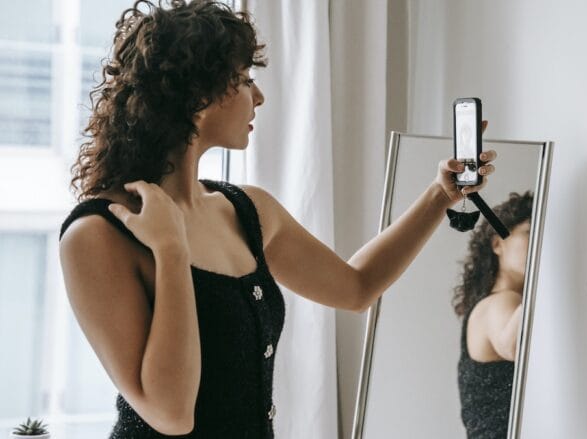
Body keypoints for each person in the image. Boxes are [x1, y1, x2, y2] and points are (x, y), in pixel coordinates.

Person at [57, 1, 496, 437]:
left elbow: (356, 287)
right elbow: (171, 413)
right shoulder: (98, 233)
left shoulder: (248, 209)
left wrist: (440, 194)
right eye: (246, 80)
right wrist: (171, 251)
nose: (259, 97)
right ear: (199, 96)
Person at [453, 191, 534, 439]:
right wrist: (545, 270)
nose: (540, 243)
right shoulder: (501, 302)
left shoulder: (496, 302)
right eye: (530, 234)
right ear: (497, 244)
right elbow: (514, 345)